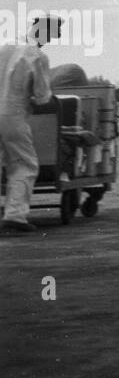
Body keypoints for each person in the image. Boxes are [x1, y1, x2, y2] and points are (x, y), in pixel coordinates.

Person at [0, 15, 57, 234]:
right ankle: (15, 216)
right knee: (24, 164)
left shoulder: (4, 45)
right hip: (12, 115)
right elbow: (42, 96)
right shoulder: (37, 56)